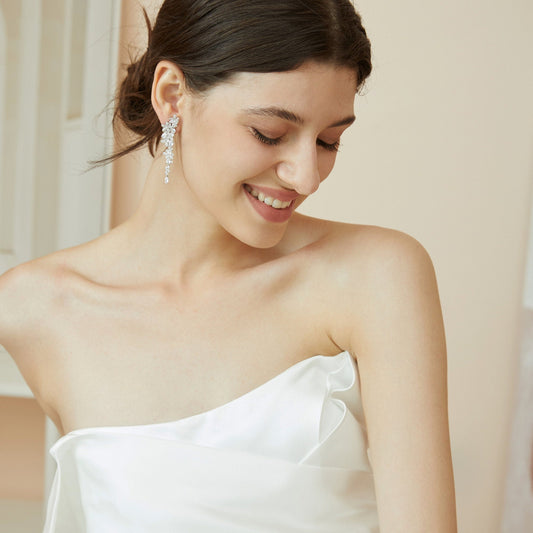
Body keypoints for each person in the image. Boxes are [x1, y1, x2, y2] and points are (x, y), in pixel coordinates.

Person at [0, 0, 457, 531]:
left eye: (330, 141)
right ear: (173, 95)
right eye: (269, 132)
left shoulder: (378, 275)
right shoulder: (34, 307)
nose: (306, 176)